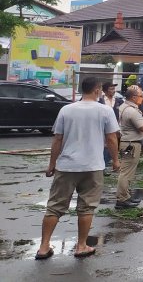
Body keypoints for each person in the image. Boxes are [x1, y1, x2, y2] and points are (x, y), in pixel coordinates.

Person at [35, 76, 120, 260]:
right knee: (87, 207)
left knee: (55, 207)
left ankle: (43, 247)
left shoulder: (66, 110)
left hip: (66, 166)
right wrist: (115, 161)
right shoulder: (105, 111)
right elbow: (112, 138)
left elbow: (57, 139)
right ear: (98, 90)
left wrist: (51, 164)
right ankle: (81, 246)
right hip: (93, 167)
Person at [99, 82, 123, 174]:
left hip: (115, 127)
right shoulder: (100, 101)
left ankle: (108, 164)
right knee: (104, 146)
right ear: (105, 90)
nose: (113, 91)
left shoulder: (119, 101)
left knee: (113, 146)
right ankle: (102, 167)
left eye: (114, 89)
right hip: (102, 128)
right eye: (111, 89)